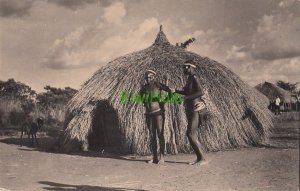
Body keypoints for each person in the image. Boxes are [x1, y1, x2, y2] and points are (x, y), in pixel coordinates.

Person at [175, 60, 207, 165]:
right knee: (191, 134)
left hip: (196, 108)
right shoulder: (189, 79)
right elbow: (187, 92)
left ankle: (202, 159)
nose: (183, 69)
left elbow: (200, 92)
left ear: (190, 67)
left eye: (185, 67)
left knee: (190, 133)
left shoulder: (194, 77)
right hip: (190, 108)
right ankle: (199, 158)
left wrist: (186, 98)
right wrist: (176, 91)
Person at [140, 69, 172, 164]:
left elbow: (169, 91)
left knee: (160, 134)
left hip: (158, 113)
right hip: (149, 114)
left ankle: (161, 156)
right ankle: (154, 157)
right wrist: (145, 103)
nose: (148, 79)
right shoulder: (144, 88)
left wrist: (165, 101)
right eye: (146, 77)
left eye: (150, 77)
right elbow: (141, 96)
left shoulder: (158, 85)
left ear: (153, 77)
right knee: (152, 136)